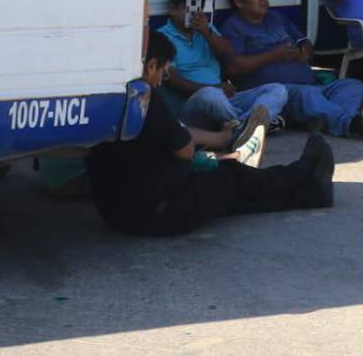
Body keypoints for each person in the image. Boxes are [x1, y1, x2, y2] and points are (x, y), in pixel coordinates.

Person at [84, 34, 335, 237]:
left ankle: (311, 194)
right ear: (151, 66)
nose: (161, 80)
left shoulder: (103, 94)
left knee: (230, 197)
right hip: (158, 212)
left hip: (117, 215)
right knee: (230, 175)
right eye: (163, 72)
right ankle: (302, 172)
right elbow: (184, 151)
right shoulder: (145, 96)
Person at [220, 0, 363, 139]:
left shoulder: (276, 18)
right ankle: (349, 123)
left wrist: (304, 52)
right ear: (239, 2)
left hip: (311, 85)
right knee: (305, 95)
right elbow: (234, 67)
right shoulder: (233, 27)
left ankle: (321, 120)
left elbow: (305, 42)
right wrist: (273, 56)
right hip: (282, 92)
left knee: (351, 85)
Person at [157, 0, 288, 131]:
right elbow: (173, 81)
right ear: (172, 9)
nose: (192, 13)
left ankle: (242, 126)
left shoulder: (207, 30)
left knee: (277, 90)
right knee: (208, 95)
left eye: (196, 7)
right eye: (186, 8)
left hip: (223, 101)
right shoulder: (163, 37)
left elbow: (229, 56)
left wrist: (207, 33)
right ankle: (251, 125)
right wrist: (215, 87)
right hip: (192, 105)